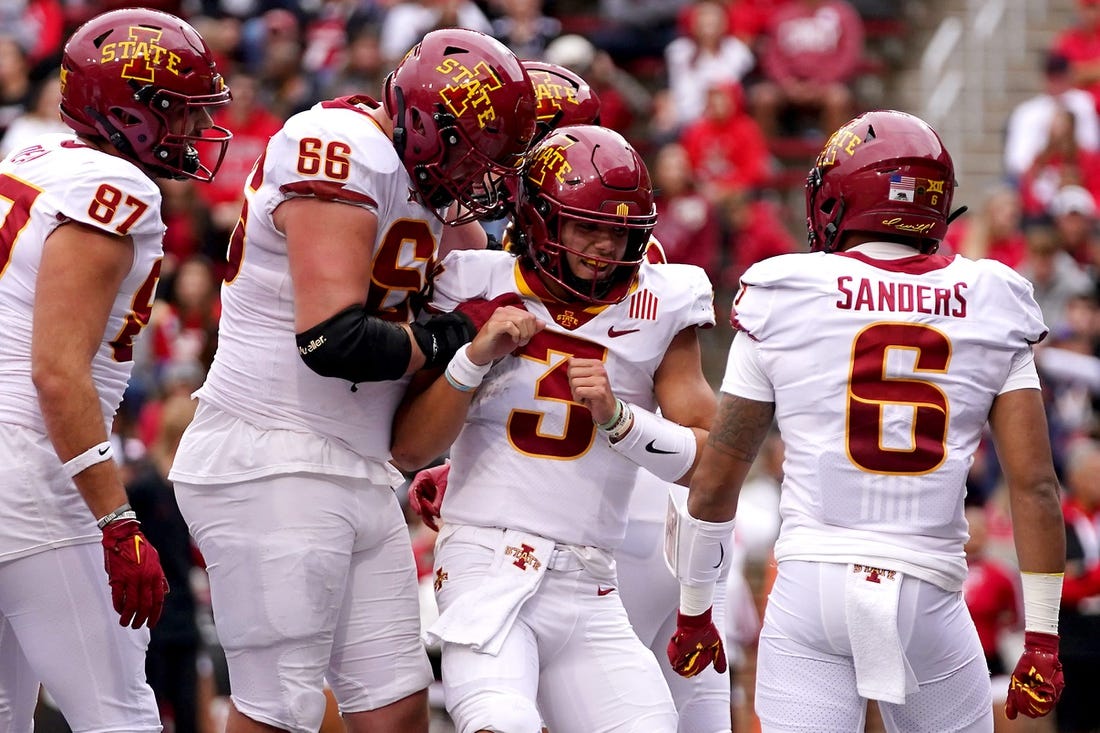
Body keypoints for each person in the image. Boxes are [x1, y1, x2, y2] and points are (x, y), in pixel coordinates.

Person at [168, 28, 537, 733]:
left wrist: (466, 358)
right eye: (478, 155)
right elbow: (332, 338)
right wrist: (456, 336)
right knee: (281, 708)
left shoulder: (436, 201)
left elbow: (472, 324)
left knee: (396, 709)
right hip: (271, 451)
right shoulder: (341, 144)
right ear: (430, 127)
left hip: (356, 464)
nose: (483, 178)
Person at [663, 109, 1068, 732]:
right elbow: (1036, 485)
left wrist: (695, 608)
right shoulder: (993, 297)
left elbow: (718, 478)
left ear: (840, 194)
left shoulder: (784, 291)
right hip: (927, 588)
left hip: (809, 587)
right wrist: (1041, 635)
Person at [390, 123, 717, 733]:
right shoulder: (471, 281)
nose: (602, 248)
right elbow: (410, 447)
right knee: (500, 724)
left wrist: (622, 422)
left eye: (619, 233)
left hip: (591, 579)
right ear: (541, 219)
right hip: (484, 559)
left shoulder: (661, 301)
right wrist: (471, 360)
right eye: (586, 226)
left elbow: (711, 458)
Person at [0, 8, 231, 731]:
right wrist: (115, 517)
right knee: (120, 714)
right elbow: (58, 373)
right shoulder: (115, 191)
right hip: (35, 470)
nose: (196, 133)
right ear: (132, 108)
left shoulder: (29, 158)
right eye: (181, 113)